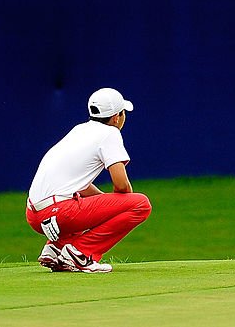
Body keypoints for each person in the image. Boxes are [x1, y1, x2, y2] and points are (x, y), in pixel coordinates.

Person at [25, 87, 152, 272]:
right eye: (123, 113)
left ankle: (55, 248)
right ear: (117, 117)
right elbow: (122, 185)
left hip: (35, 215)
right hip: (60, 213)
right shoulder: (110, 133)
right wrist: (113, 208)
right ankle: (81, 253)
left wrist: (104, 204)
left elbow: (79, 185)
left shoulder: (79, 130)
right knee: (141, 204)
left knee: (81, 198)